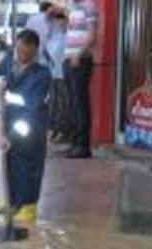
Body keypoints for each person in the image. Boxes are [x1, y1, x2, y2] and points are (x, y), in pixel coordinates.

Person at [0, 29, 52, 223]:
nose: (21, 54)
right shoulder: (10, 61)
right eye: (18, 49)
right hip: (8, 119)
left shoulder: (42, 75)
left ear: (35, 50)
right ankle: (12, 201)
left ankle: (28, 205)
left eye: (25, 51)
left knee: (27, 164)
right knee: (10, 162)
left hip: (29, 127)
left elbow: (32, 110)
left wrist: (11, 137)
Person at [64, 0, 97, 158]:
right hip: (69, 59)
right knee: (72, 103)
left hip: (80, 60)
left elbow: (92, 35)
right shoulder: (73, 6)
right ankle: (74, 143)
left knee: (80, 103)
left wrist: (79, 54)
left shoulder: (89, 4)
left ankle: (83, 146)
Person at [47, 11, 70, 143]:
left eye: (61, 22)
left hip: (63, 75)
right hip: (54, 74)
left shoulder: (66, 37)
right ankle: (56, 129)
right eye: (56, 23)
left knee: (63, 104)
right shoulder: (54, 36)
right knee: (54, 103)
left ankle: (63, 131)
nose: (59, 25)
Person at [25, 1, 54, 66]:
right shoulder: (48, 20)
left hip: (31, 49)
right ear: (49, 9)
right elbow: (46, 38)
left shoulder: (31, 18)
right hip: (42, 53)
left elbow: (26, 32)